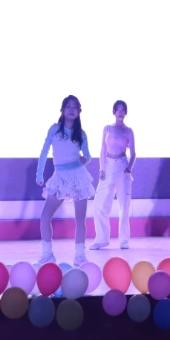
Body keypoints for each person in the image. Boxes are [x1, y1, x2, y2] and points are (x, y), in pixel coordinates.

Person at [36, 95, 95, 266]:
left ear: (79, 111)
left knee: (80, 220)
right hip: (59, 176)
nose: (71, 110)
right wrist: (39, 175)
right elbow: (44, 151)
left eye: (75, 107)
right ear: (62, 110)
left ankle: (80, 256)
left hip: (78, 176)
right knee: (45, 216)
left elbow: (88, 156)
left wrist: (85, 160)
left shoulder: (81, 133)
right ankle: (47, 254)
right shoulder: (54, 129)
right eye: (68, 106)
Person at [90, 100, 136, 250]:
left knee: (124, 205)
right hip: (108, 166)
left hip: (122, 165)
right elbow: (102, 150)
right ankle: (101, 239)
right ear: (114, 112)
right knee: (99, 203)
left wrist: (129, 167)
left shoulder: (129, 131)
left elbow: (133, 153)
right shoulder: (107, 128)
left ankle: (123, 240)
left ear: (126, 113)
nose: (120, 113)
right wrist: (101, 169)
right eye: (118, 110)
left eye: (123, 110)